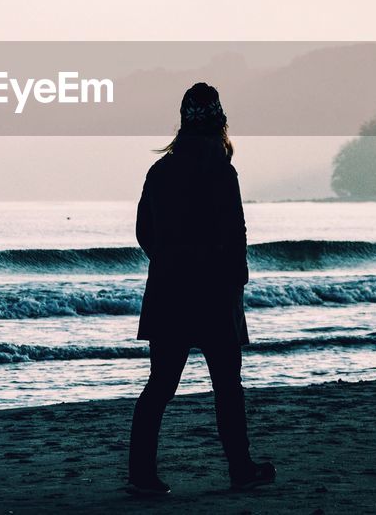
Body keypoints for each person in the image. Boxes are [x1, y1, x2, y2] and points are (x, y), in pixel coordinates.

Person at [126, 82, 277, 495]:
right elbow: (237, 231)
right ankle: (240, 468)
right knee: (227, 386)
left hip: (169, 292)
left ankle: (141, 474)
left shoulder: (160, 171)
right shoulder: (222, 171)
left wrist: (168, 259)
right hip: (214, 293)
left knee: (160, 385)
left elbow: (144, 232)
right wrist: (235, 277)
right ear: (219, 122)